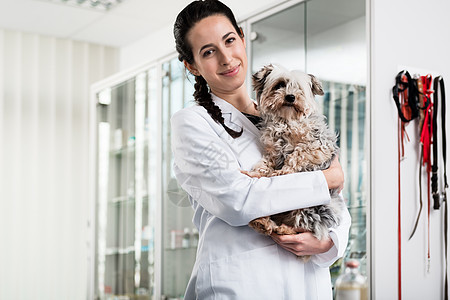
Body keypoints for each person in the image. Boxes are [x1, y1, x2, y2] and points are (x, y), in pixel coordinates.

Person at [171, 0, 351, 299]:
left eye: (229, 41)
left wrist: (329, 242)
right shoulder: (192, 123)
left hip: (308, 285)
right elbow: (239, 199)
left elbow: (337, 204)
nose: (227, 58)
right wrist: (326, 179)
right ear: (192, 66)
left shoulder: (292, 118)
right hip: (243, 285)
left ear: (242, 38)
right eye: (208, 51)